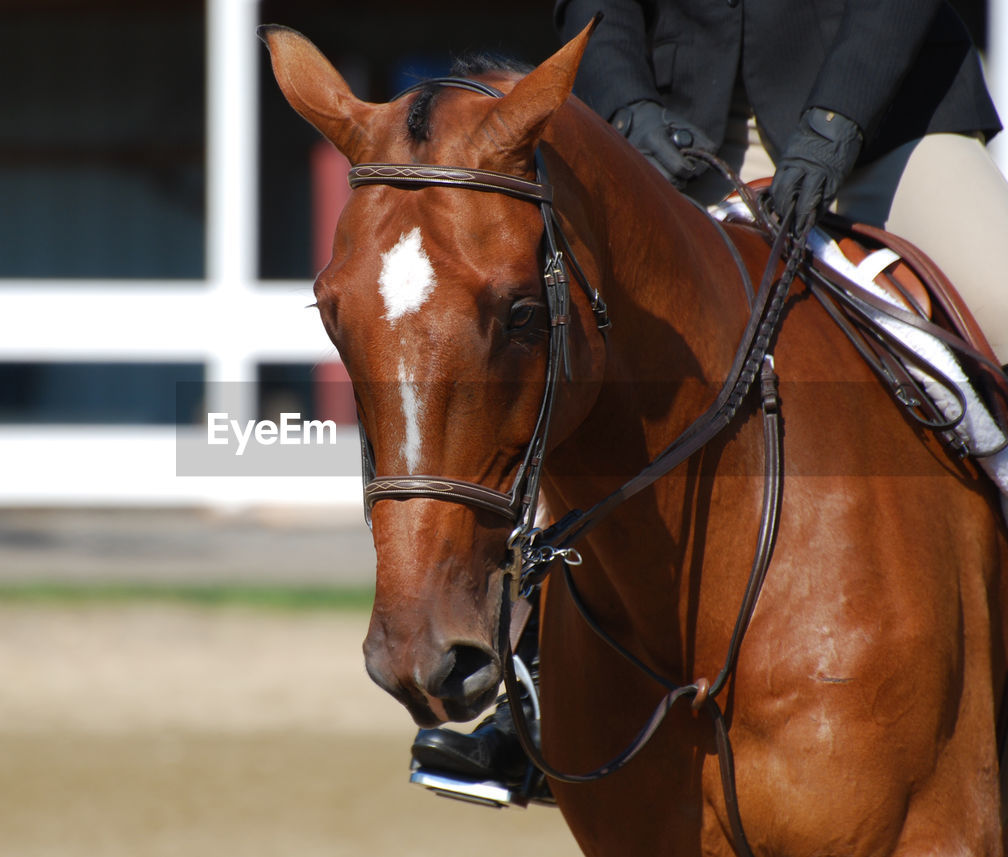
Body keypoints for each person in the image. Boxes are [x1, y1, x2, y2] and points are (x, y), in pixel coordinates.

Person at [411, 0, 1008, 800]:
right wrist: (630, 110)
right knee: (576, 352)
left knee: (1002, 307)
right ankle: (537, 686)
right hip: (680, 132)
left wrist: (837, 123)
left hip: (893, 126)